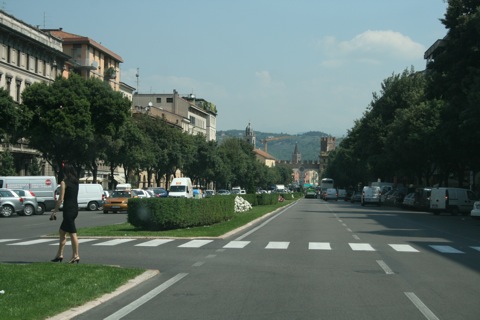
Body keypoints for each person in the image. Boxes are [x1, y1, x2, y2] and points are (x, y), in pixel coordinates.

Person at [50, 163, 80, 264]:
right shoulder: (76, 182)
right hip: (75, 209)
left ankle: (76, 255)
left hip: (68, 210)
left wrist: (54, 212)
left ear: (65, 172)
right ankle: (59, 254)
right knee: (62, 232)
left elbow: (60, 199)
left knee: (72, 233)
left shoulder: (64, 183)